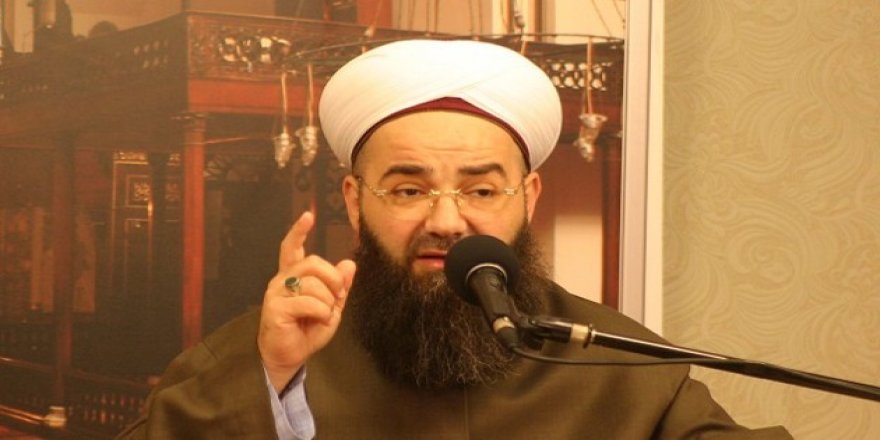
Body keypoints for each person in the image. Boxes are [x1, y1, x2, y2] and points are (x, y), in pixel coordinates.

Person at [117, 39, 791, 439]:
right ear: (355, 201)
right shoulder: (263, 351)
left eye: (481, 190)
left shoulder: (622, 365)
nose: (446, 220)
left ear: (528, 198)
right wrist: (269, 377)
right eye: (409, 190)